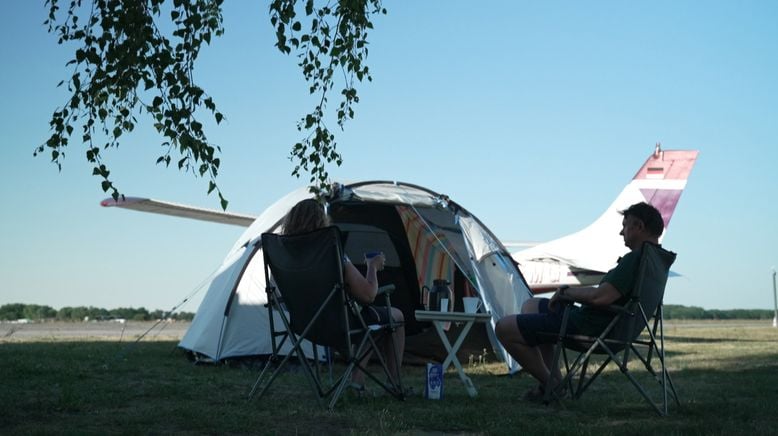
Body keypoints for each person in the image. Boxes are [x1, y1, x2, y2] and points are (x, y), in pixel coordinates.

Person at [495, 202, 664, 402]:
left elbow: (601, 297)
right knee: (531, 306)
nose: (621, 232)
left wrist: (566, 292)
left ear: (639, 227)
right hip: (609, 325)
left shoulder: (635, 259)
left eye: (625, 225)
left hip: (590, 329)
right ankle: (553, 384)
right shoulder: (656, 260)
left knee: (504, 328)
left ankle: (553, 386)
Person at [281, 198, 405, 391]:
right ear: (321, 222)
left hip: (304, 325)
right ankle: (393, 384)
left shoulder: (285, 255)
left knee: (368, 322)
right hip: (337, 324)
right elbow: (368, 295)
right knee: (393, 316)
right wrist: (372, 267)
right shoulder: (330, 250)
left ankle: (357, 382)